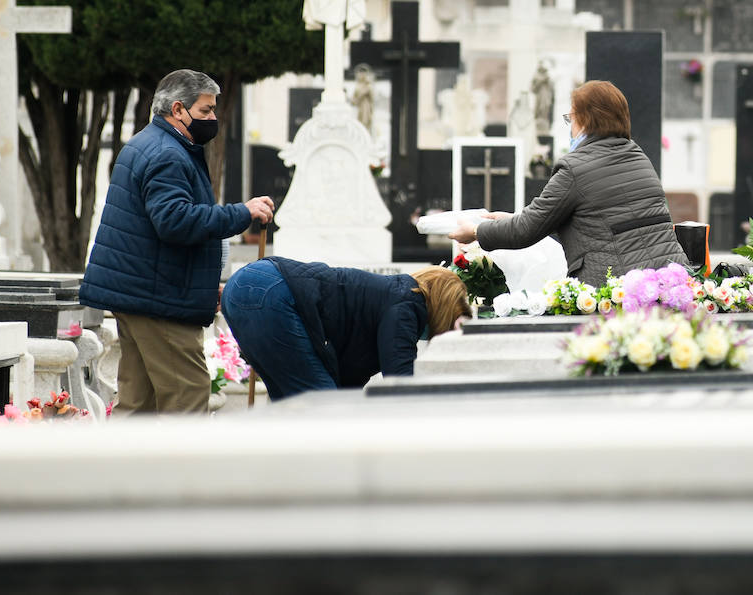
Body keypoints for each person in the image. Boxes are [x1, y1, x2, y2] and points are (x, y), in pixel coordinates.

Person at [80, 69, 275, 414]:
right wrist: (241, 213)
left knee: (138, 402)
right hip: (158, 298)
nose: (213, 118)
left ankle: (118, 468)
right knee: (188, 395)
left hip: (142, 290)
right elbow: (174, 221)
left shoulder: (151, 143)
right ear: (177, 109)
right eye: (205, 111)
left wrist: (202, 286)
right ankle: (187, 470)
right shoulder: (167, 153)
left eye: (213, 110)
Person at [449, 80, 687, 286]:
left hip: (617, 287)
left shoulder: (575, 167)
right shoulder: (638, 157)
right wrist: (512, 219)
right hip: (670, 280)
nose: (571, 127)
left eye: (571, 118)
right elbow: (593, 220)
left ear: (584, 120)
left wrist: (475, 231)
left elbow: (527, 230)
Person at [221, 259, 469, 400]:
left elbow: (349, 378)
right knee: (325, 408)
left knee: (291, 404)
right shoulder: (406, 304)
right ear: (443, 304)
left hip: (246, 286)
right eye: (453, 318)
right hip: (270, 291)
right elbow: (400, 383)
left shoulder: (393, 298)